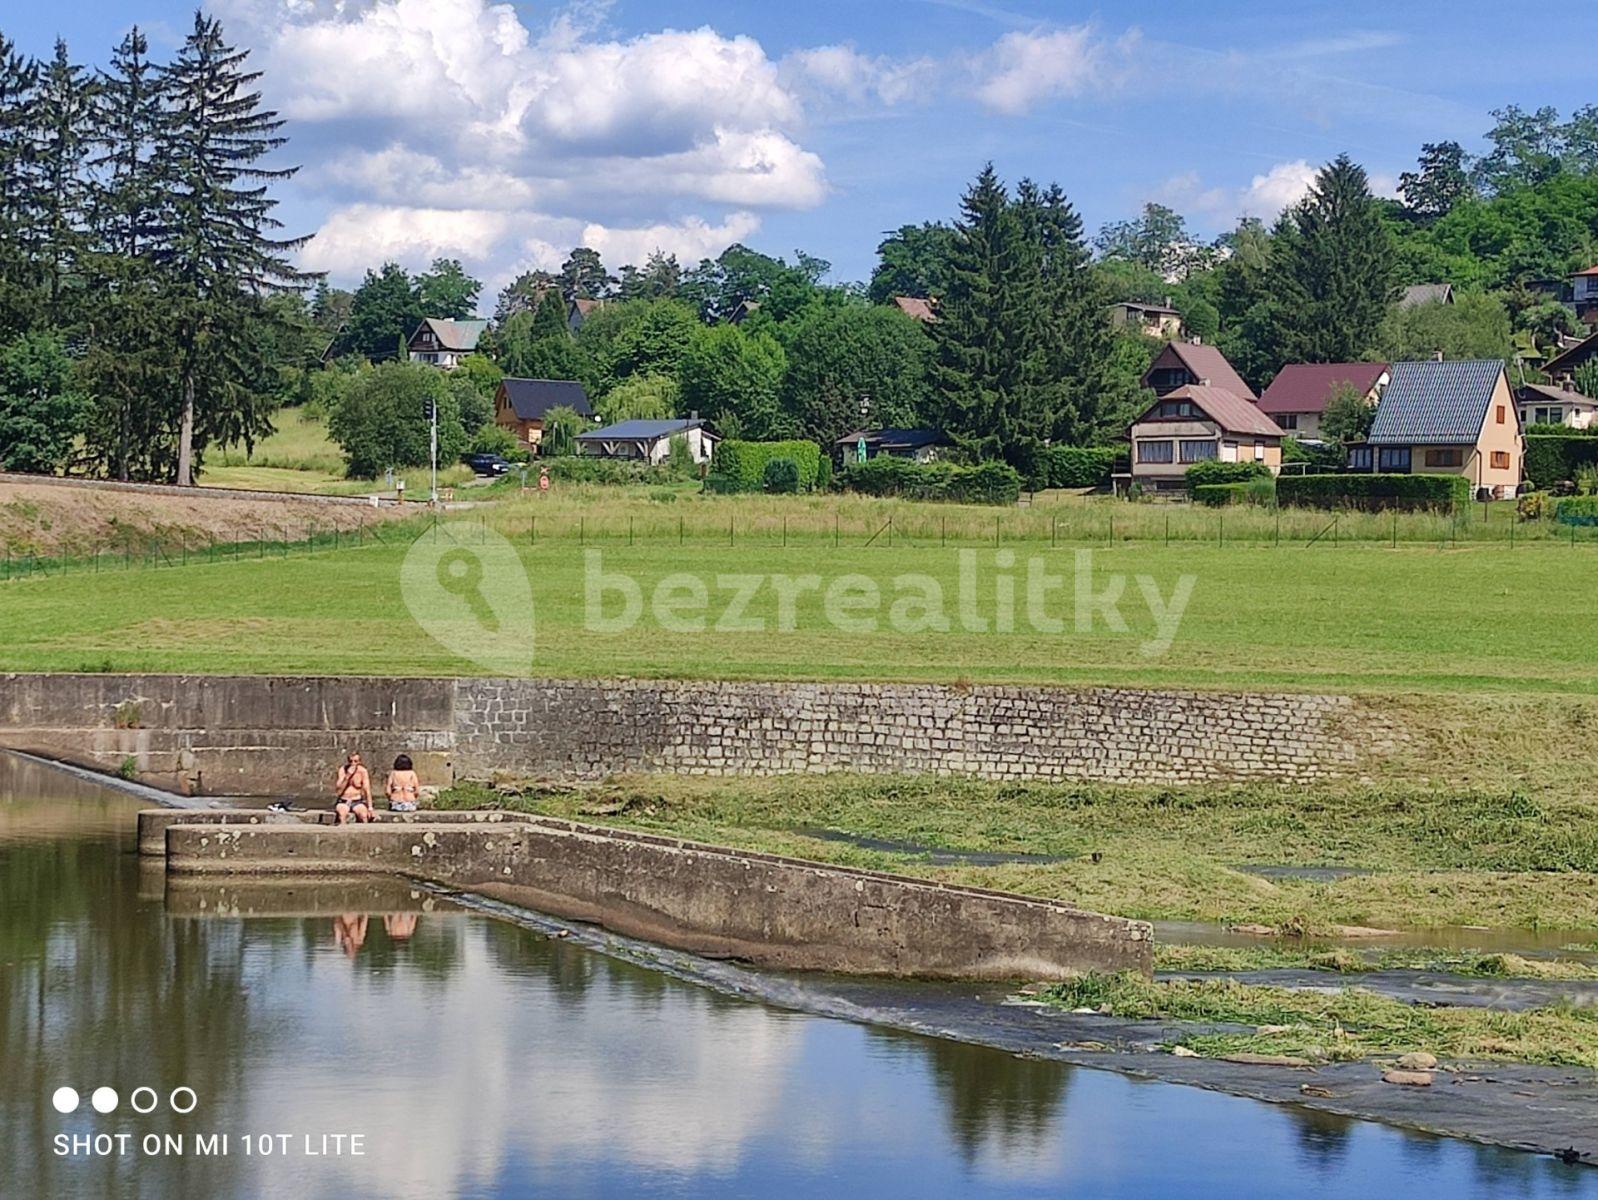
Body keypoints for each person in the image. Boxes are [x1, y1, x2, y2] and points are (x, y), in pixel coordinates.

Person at [334, 752, 373, 824]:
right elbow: (338, 791)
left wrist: (370, 808)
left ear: (359, 762)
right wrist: (347, 776)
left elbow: (367, 790)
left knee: (364, 816)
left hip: (357, 801)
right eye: (350, 761)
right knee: (342, 815)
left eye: (355, 761)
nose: (353, 763)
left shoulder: (362, 771)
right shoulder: (343, 770)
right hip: (344, 801)